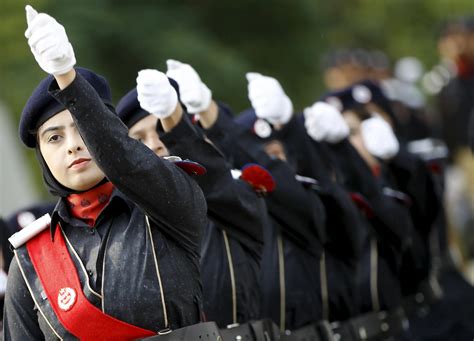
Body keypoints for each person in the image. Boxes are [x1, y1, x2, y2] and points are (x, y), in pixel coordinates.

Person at [3, 6, 217, 340]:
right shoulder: (31, 257)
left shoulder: (164, 204)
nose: (72, 146)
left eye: (82, 128)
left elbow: (127, 161)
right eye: (54, 138)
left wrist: (67, 78)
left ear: (106, 129)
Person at [115, 66, 269, 334]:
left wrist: (174, 120)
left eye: (161, 129)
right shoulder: (126, 226)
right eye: (139, 139)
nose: (154, 144)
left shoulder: (231, 199)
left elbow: (213, 182)